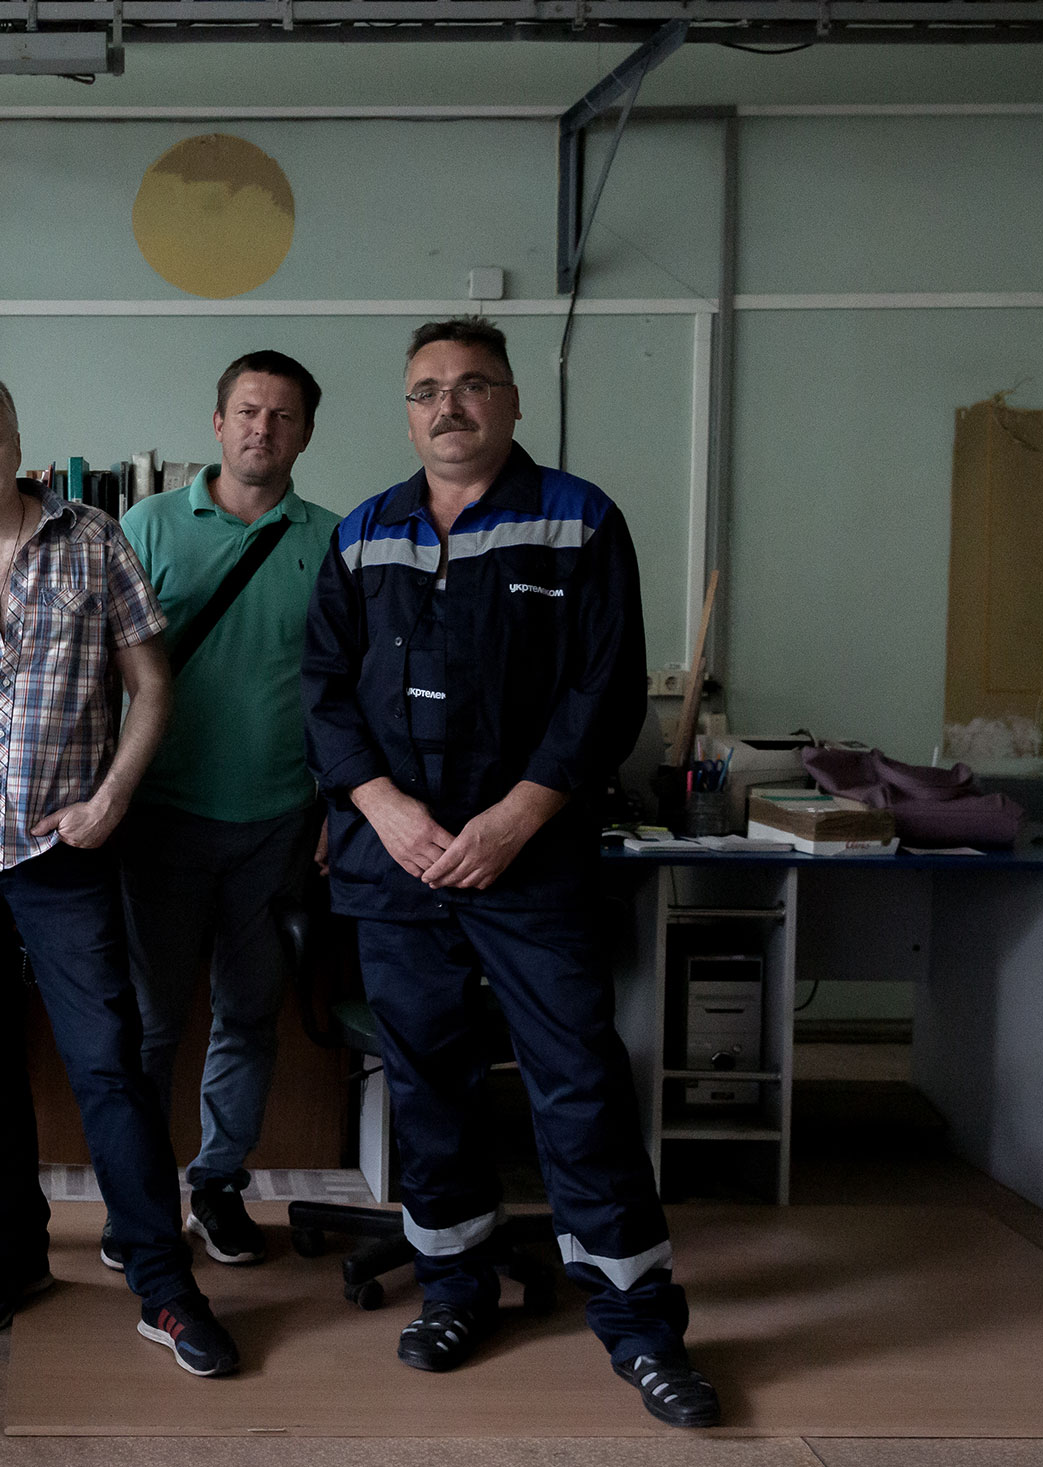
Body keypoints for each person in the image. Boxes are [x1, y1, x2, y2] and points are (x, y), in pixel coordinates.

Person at [301, 317, 720, 1427]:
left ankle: (640, 1326)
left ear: (513, 401)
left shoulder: (578, 522)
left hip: (528, 865)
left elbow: (604, 693)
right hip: (396, 865)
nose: (449, 404)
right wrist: (381, 806)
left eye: (473, 383)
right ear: (407, 412)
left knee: (575, 1080)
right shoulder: (363, 534)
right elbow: (323, 691)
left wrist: (516, 818)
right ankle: (454, 1286)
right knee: (427, 1084)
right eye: (426, 389)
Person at [0, 367, 241, 1379]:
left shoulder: (92, 541)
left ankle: (162, 1284)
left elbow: (150, 685)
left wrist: (112, 798)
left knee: (107, 1061)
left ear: (16, 441)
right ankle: (16, 1249)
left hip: (63, 857)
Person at [113, 350, 338, 1270]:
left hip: (279, 825)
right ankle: (140, 1204)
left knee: (248, 1016)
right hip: (159, 820)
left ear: (306, 433)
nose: (262, 429)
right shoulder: (147, 527)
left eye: (283, 416)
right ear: (218, 422)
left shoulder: (331, 541)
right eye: (248, 411)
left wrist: (340, 806)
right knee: (150, 1023)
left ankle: (216, 1186)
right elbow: (99, 668)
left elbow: (345, 690)